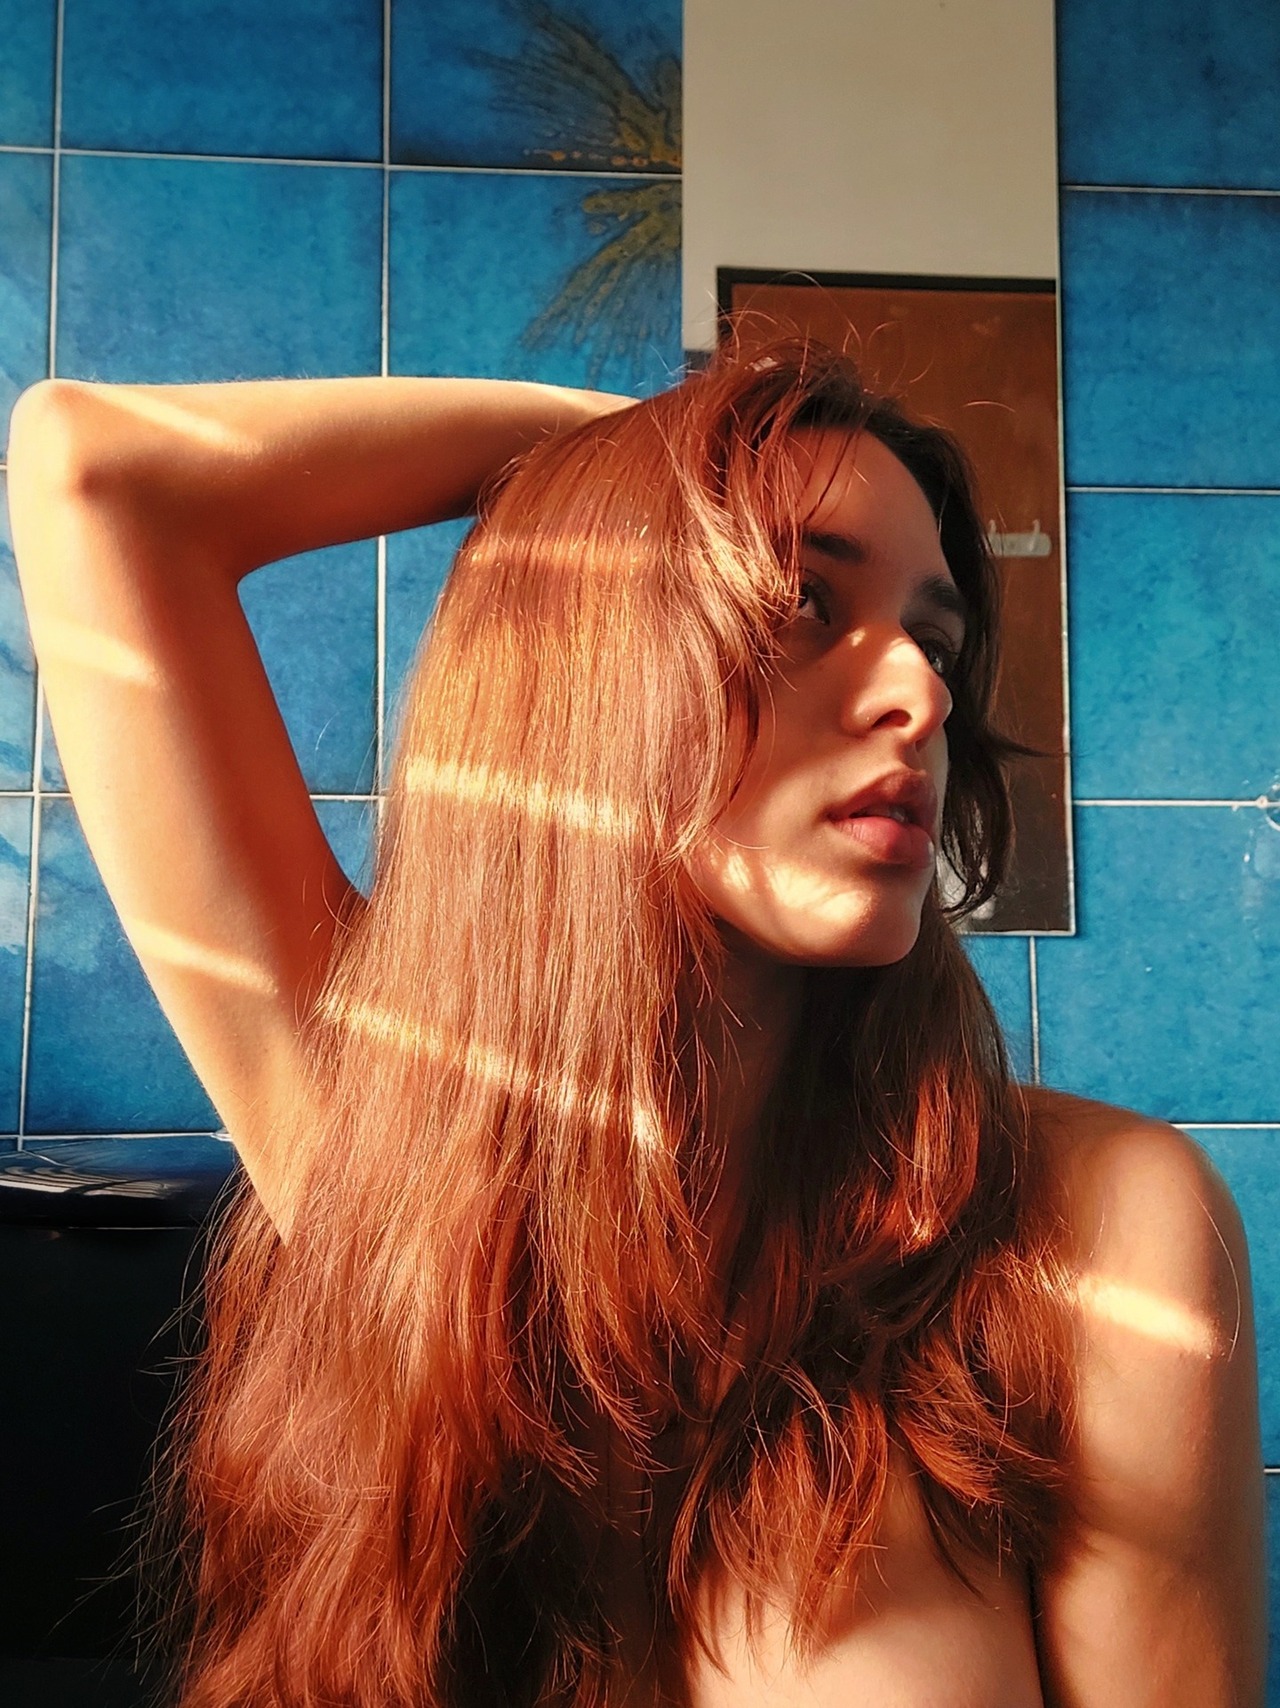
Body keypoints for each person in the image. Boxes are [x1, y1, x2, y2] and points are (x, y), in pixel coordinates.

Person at [6, 342, 1265, 1707]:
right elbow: (93, 467)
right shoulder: (390, 1154)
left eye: (937, 638)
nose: (922, 691)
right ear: (593, 663)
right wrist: (645, 461)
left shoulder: (1091, 1231)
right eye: (801, 598)